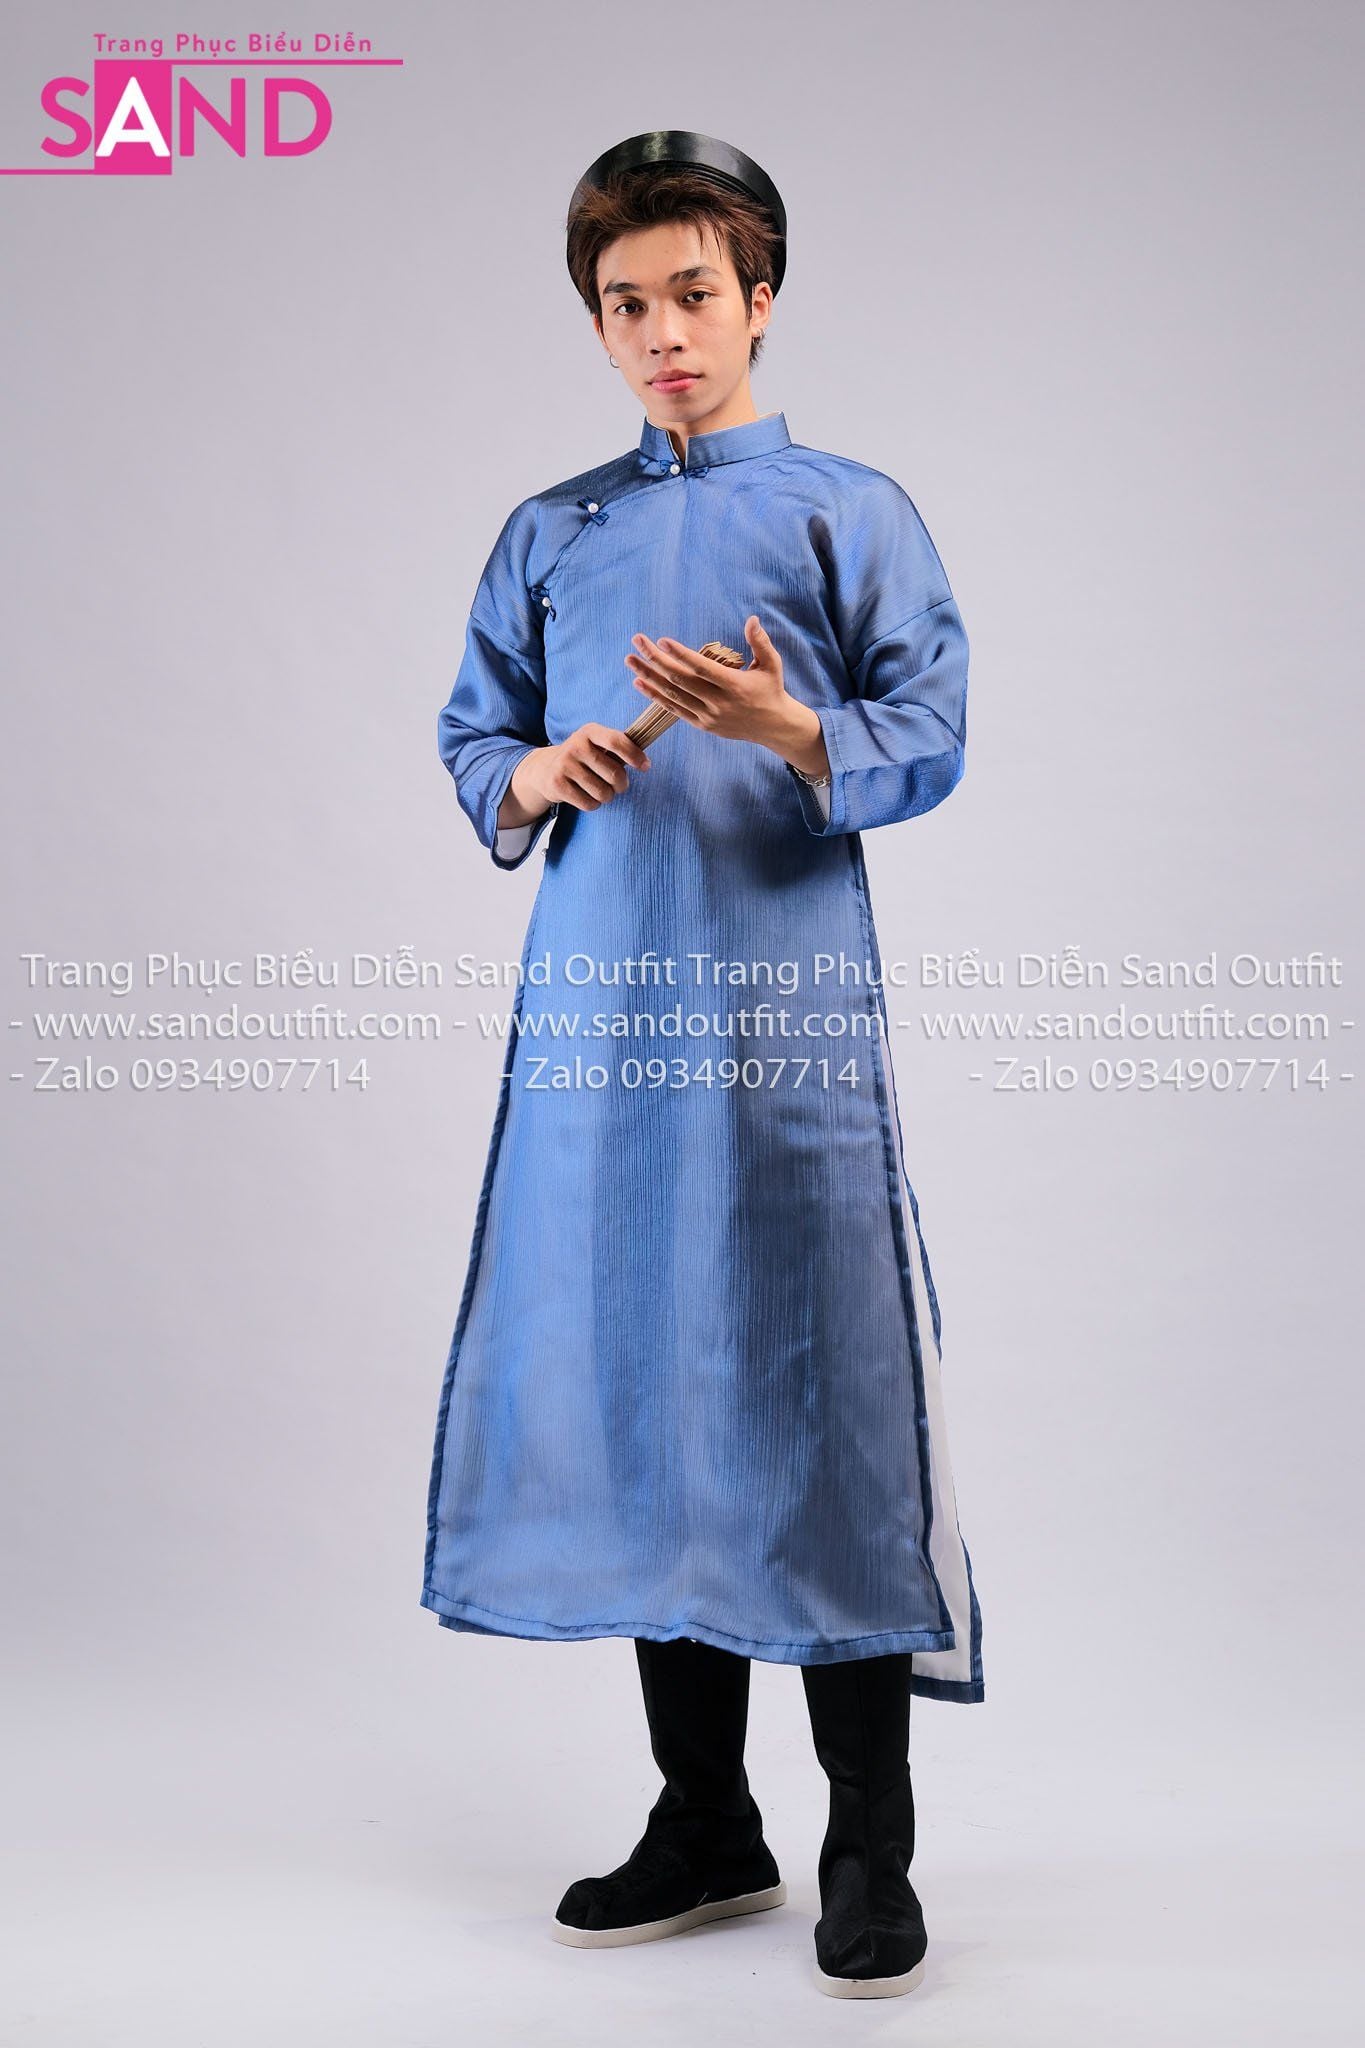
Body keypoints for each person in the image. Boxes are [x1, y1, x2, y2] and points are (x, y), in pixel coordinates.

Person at [421, 129, 984, 2000]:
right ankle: (703, 1820)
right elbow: (475, 733)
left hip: (781, 1012)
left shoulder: (846, 512)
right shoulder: (552, 532)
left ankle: (867, 1844)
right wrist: (540, 769)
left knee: (817, 1391)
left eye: (691, 295)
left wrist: (785, 723)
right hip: (602, 1018)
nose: (662, 333)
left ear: (760, 299)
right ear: (596, 325)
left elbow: (929, 724)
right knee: (643, 1383)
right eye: (625, 305)